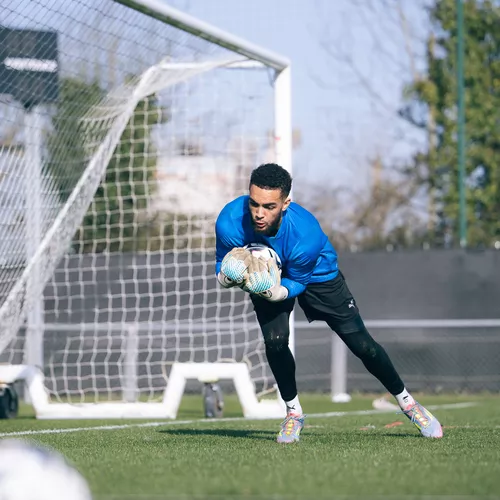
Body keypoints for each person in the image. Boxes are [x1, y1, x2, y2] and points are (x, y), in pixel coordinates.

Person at [215, 163, 443, 444]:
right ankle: (293, 413)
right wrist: (227, 277)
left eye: (269, 206)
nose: (259, 213)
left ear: (286, 203)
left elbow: (298, 281)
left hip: (316, 275)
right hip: (267, 278)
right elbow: (222, 262)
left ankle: (408, 403)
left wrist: (276, 293)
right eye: (254, 203)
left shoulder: (305, 233)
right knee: (275, 342)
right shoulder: (229, 220)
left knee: (363, 345)